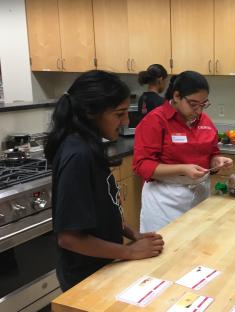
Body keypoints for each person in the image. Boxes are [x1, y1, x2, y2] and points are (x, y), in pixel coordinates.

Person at [45, 70, 165, 291]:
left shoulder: (89, 145)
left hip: (105, 267)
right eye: (119, 114)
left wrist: (133, 234)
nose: (126, 121)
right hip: (84, 279)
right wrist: (130, 251)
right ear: (91, 113)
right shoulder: (77, 155)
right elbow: (69, 237)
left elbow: (103, 207)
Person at [133, 71, 233, 232]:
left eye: (203, 104)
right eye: (194, 104)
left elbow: (212, 152)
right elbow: (142, 165)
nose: (199, 111)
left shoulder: (204, 120)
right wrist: (182, 169)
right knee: (167, 248)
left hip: (200, 196)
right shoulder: (155, 121)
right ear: (177, 96)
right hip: (165, 200)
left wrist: (217, 161)